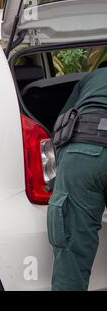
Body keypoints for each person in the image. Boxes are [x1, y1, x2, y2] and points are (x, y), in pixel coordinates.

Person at [49, 67, 107, 291]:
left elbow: (62, 125)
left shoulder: (93, 77)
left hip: (82, 155)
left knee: (71, 259)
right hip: (84, 156)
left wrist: (62, 177)